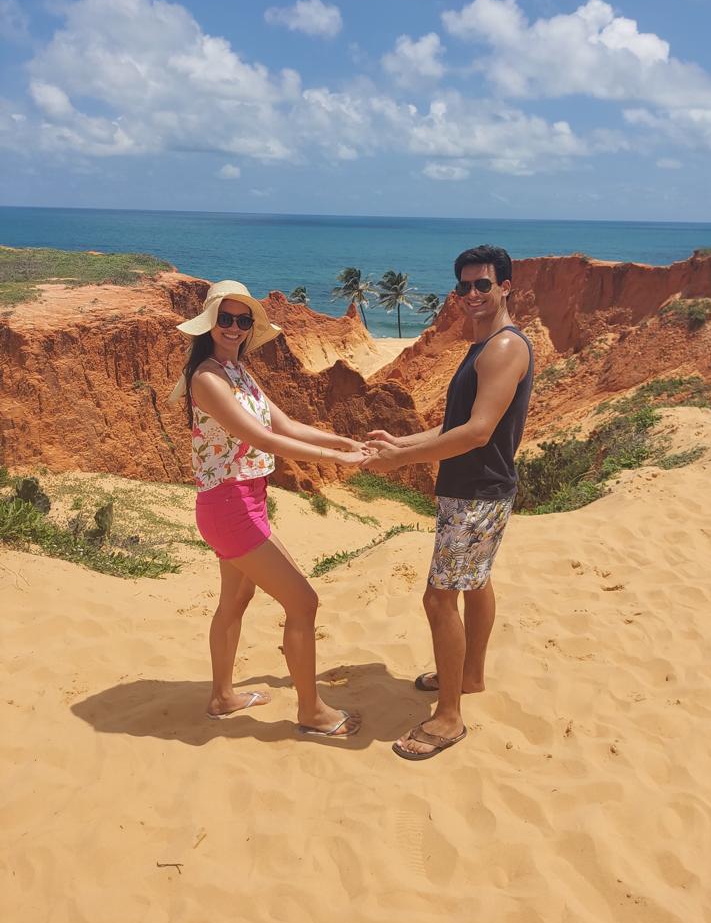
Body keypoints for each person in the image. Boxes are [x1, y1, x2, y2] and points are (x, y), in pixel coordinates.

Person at [172, 280, 365, 737]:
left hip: (244, 500)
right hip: (229, 506)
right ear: (210, 322)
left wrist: (340, 440)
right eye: (226, 319)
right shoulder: (207, 378)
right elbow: (260, 439)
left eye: (243, 320)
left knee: (236, 599)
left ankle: (222, 697)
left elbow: (286, 424)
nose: (235, 328)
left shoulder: (237, 371)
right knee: (303, 601)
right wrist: (336, 460)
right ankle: (311, 711)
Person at [364, 246, 533, 760]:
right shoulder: (482, 346)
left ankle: (449, 716)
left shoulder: (503, 348)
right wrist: (402, 445)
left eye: (484, 284)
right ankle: (471, 676)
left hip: (475, 492)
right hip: (479, 490)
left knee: (439, 598)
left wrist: (399, 464)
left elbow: (478, 434)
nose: (473, 295)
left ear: (506, 286)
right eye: (465, 287)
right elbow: (455, 426)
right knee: (474, 584)